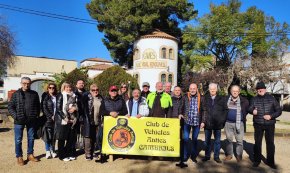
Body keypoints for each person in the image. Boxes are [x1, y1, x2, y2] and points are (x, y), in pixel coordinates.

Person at [249, 82, 282, 169]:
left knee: (270, 143)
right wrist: (252, 111)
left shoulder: (272, 98)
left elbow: (279, 111)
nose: (260, 90)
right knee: (257, 143)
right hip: (258, 124)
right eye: (259, 89)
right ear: (257, 90)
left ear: (265, 89)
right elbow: (249, 108)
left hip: (270, 124)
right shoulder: (254, 99)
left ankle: (270, 162)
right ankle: (257, 160)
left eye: (262, 88)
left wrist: (271, 116)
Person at [8, 77, 40, 166]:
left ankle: (30, 154)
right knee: (18, 140)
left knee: (31, 138)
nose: (26, 85)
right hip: (19, 121)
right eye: (24, 83)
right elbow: (10, 107)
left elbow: (38, 106)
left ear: (30, 84)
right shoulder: (16, 94)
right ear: (21, 83)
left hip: (31, 120)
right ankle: (19, 156)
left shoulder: (34, 94)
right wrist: (15, 116)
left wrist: (36, 116)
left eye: (28, 83)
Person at [201, 83, 227, 163]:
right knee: (207, 141)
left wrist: (222, 121)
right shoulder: (205, 98)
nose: (212, 90)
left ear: (216, 89)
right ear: (209, 89)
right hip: (208, 123)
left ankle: (216, 157)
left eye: (214, 89)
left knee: (217, 141)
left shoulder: (222, 99)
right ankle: (207, 156)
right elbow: (202, 110)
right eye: (211, 89)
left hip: (217, 124)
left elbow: (225, 111)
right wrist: (203, 121)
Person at [181, 83, 206, 163]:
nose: (192, 90)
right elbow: (181, 106)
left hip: (197, 122)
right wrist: (180, 113)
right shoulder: (185, 96)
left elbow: (204, 110)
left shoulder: (201, 97)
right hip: (187, 121)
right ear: (189, 89)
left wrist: (203, 121)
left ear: (196, 89)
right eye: (191, 88)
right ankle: (185, 156)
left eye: (194, 88)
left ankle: (193, 156)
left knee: (194, 139)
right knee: (185, 139)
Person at [224, 85, 249, 162]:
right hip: (227, 123)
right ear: (230, 91)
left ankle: (238, 155)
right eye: (233, 91)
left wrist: (243, 117)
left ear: (239, 92)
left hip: (239, 124)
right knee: (229, 140)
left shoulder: (244, 101)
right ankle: (229, 154)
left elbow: (246, 110)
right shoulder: (225, 99)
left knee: (239, 141)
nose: (235, 92)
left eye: (236, 91)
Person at [55, 82, 78, 162]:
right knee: (62, 139)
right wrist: (65, 118)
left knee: (70, 138)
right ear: (63, 88)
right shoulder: (61, 95)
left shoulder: (74, 96)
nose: (69, 89)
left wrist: (75, 108)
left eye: (70, 87)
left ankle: (68, 153)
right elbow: (58, 109)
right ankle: (61, 155)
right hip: (63, 120)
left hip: (72, 120)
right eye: (67, 87)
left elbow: (76, 105)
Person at [82, 84, 103, 160]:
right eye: (93, 90)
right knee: (88, 137)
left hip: (98, 121)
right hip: (88, 120)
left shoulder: (101, 98)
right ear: (90, 90)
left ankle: (94, 152)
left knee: (96, 137)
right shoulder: (86, 97)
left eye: (97, 89)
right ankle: (88, 154)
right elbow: (82, 108)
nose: (95, 91)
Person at [42, 83, 58, 159]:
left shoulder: (57, 96)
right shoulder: (45, 96)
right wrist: (50, 116)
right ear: (47, 88)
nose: (52, 89)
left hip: (56, 119)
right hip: (48, 119)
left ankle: (52, 150)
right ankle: (47, 151)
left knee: (54, 136)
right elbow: (44, 108)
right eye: (50, 87)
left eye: (53, 88)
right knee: (47, 135)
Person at [74, 79, 86, 151]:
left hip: (85, 116)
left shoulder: (87, 93)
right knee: (76, 132)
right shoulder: (73, 94)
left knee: (84, 132)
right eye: (79, 83)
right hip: (76, 116)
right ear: (76, 85)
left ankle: (83, 147)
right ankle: (75, 147)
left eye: (82, 83)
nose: (81, 84)